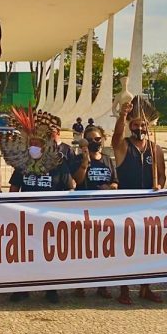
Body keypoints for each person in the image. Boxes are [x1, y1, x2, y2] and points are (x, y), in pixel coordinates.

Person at [1, 108, 74, 304]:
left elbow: (69, 189)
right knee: (24, 253)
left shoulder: (58, 163)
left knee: (50, 253)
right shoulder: (23, 164)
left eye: (39, 143)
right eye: (32, 143)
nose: (35, 146)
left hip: (50, 216)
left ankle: (50, 288)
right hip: (26, 216)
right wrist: (11, 210)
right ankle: (21, 287)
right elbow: (14, 187)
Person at [110, 99, 167, 304]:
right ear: (130, 126)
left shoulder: (155, 149)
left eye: (142, 125)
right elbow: (115, 138)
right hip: (127, 203)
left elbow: (161, 175)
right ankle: (124, 289)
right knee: (127, 247)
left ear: (148, 126)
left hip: (149, 205)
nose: (139, 128)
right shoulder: (124, 145)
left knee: (147, 248)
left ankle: (145, 287)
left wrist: (159, 186)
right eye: (135, 124)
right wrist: (122, 116)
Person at [72, 125, 120, 301]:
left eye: (97, 139)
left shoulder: (107, 160)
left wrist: (111, 188)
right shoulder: (78, 159)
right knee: (83, 249)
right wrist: (85, 160)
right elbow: (77, 180)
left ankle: (102, 284)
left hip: (104, 210)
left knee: (103, 249)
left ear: (102, 139)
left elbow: (115, 181)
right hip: (84, 210)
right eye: (91, 139)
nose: (95, 142)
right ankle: (80, 285)